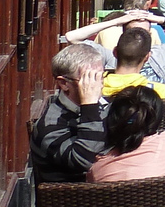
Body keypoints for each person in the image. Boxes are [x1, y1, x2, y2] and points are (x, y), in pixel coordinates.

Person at [31, 42, 109, 183]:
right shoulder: (50, 125)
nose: (99, 85)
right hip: (76, 198)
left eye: (100, 77)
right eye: (89, 80)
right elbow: (85, 161)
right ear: (64, 83)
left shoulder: (104, 105)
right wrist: (89, 105)